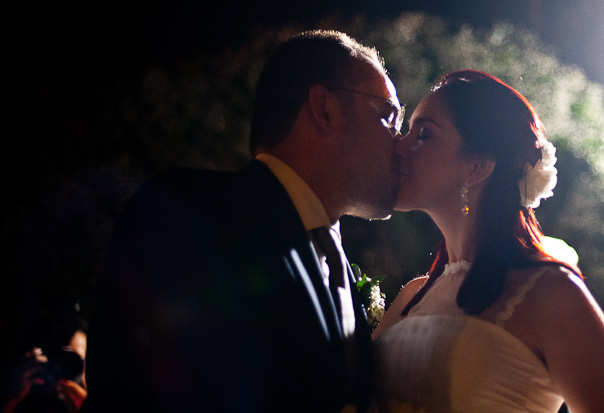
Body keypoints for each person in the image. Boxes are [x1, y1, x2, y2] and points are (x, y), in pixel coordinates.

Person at [84, 30, 403, 412]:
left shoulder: (339, 266)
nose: (401, 143)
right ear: (325, 109)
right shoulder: (190, 213)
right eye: (388, 117)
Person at [372, 70, 604, 413]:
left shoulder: (553, 296)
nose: (400, 146)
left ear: (477, 167)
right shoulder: (413, 295)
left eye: (424, 134)